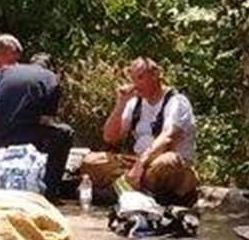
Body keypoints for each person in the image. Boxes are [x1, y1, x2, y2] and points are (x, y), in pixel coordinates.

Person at [82, 58, 200, 205]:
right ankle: (135, 188)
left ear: (156, 75)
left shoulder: (177, 102)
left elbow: (167, 138)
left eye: (140, 77)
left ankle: (126, 190)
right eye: (133, 79)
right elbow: (109, 137)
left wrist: (140, 166)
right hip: (139, 163)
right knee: (91, 161)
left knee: (167, 162)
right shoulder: (135, 102)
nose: (136, 84)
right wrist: (121, 104)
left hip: (166, 164)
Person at [0, 55, 73, 193]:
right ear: (50, 67)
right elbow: (47, 119)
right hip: (20, 138)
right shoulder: (51, 77)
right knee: (64, 133)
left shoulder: (7, 69)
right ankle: (49, 189)